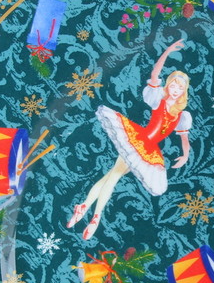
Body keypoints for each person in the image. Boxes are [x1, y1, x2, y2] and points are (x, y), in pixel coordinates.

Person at [67, 39, 191, 240]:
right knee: (114, 176)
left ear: (184, 91)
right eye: (174, 85)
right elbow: (154, 75)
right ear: (168, 86)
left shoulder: (182, 115)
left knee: (111, 174)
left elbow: (184, 138)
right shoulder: (158, 98)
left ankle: (84, 207)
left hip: (150, 150)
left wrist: (185, 155)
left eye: (180, 88)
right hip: (137, 140)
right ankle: (95, 218)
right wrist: (167, 51)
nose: (176, 90)